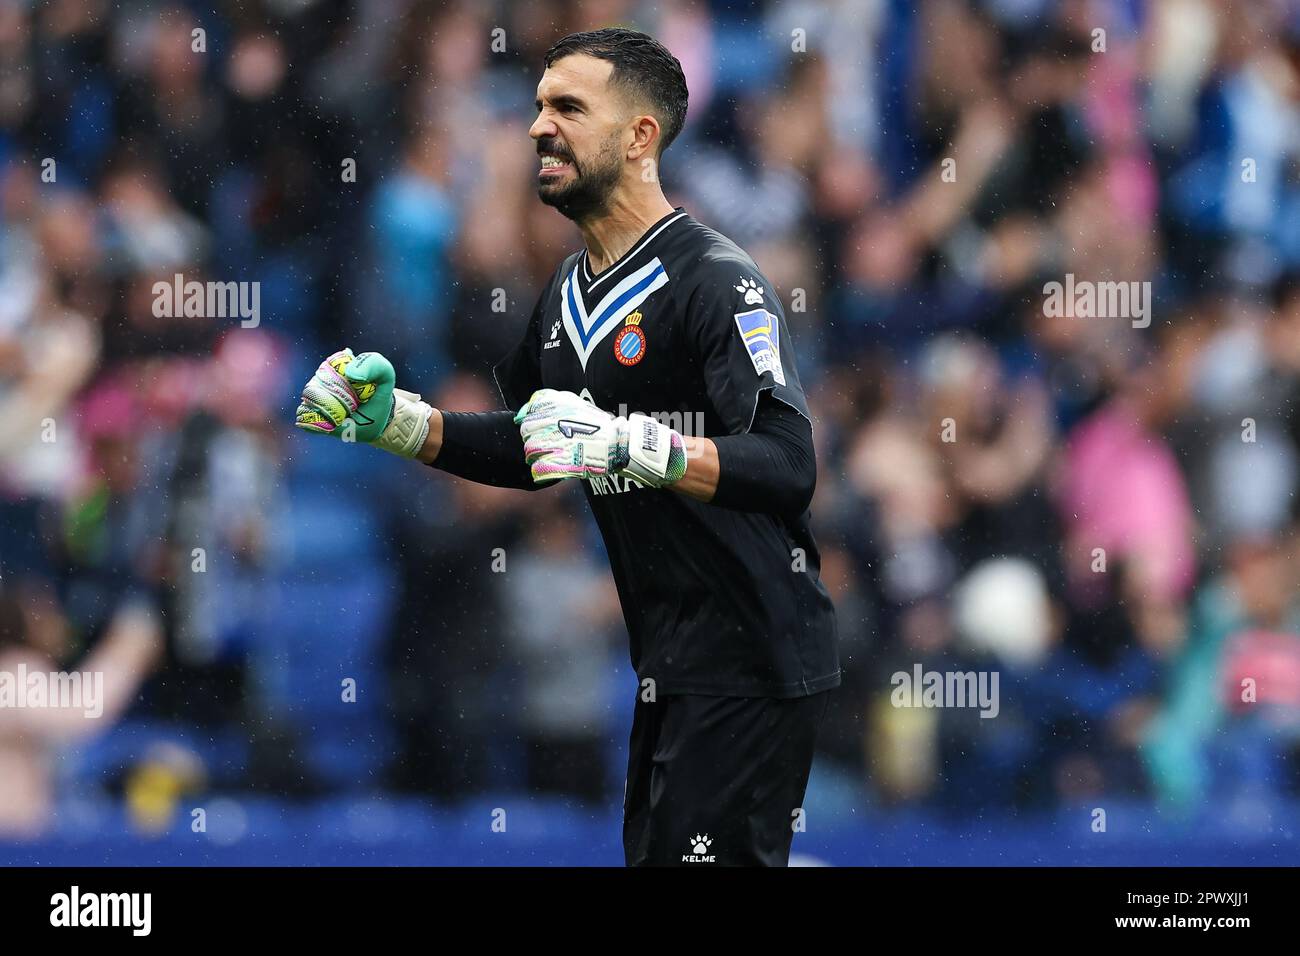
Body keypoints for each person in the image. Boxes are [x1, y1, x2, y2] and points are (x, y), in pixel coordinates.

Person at [295, 28, 839, 866]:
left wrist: (635, 445)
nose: (538, 127)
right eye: (540, 104)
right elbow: (532, 447)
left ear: (639, 137)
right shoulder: (565, 294)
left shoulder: (715, 281)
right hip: (671, 659)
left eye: (568, 108)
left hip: (751, 654)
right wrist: (398, 423)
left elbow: (788, 462)